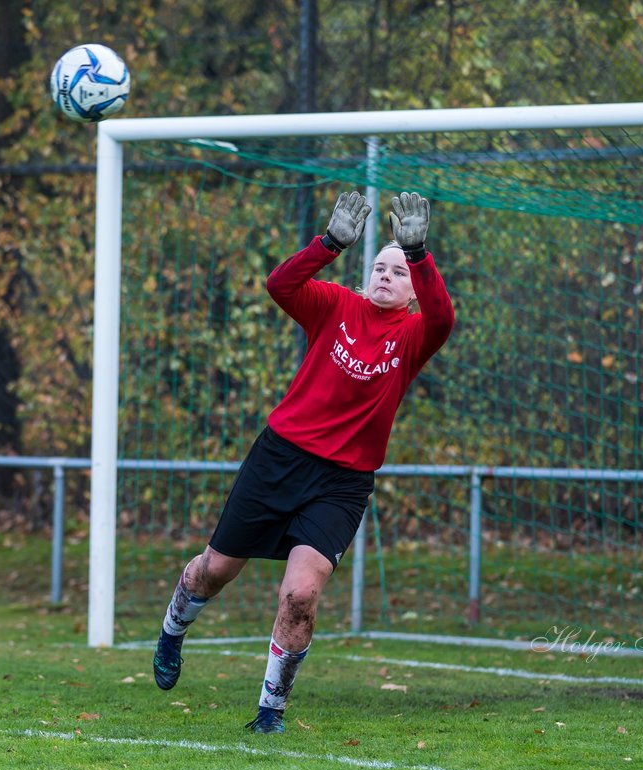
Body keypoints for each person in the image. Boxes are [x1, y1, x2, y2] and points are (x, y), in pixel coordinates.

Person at [152, 189, 455, 733]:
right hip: (279, 458)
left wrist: (419, 255)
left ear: (411, 291)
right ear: (365, 278)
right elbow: (280, 284)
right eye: (379, 267)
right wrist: (331, 243)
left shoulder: (414, 333)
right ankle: (175, 625)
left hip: (342, 483)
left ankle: (271, 711)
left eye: (398, 272)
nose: (387, 275)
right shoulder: (336, 305)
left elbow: (443, 316)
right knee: (215, 571)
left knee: (300, 593)